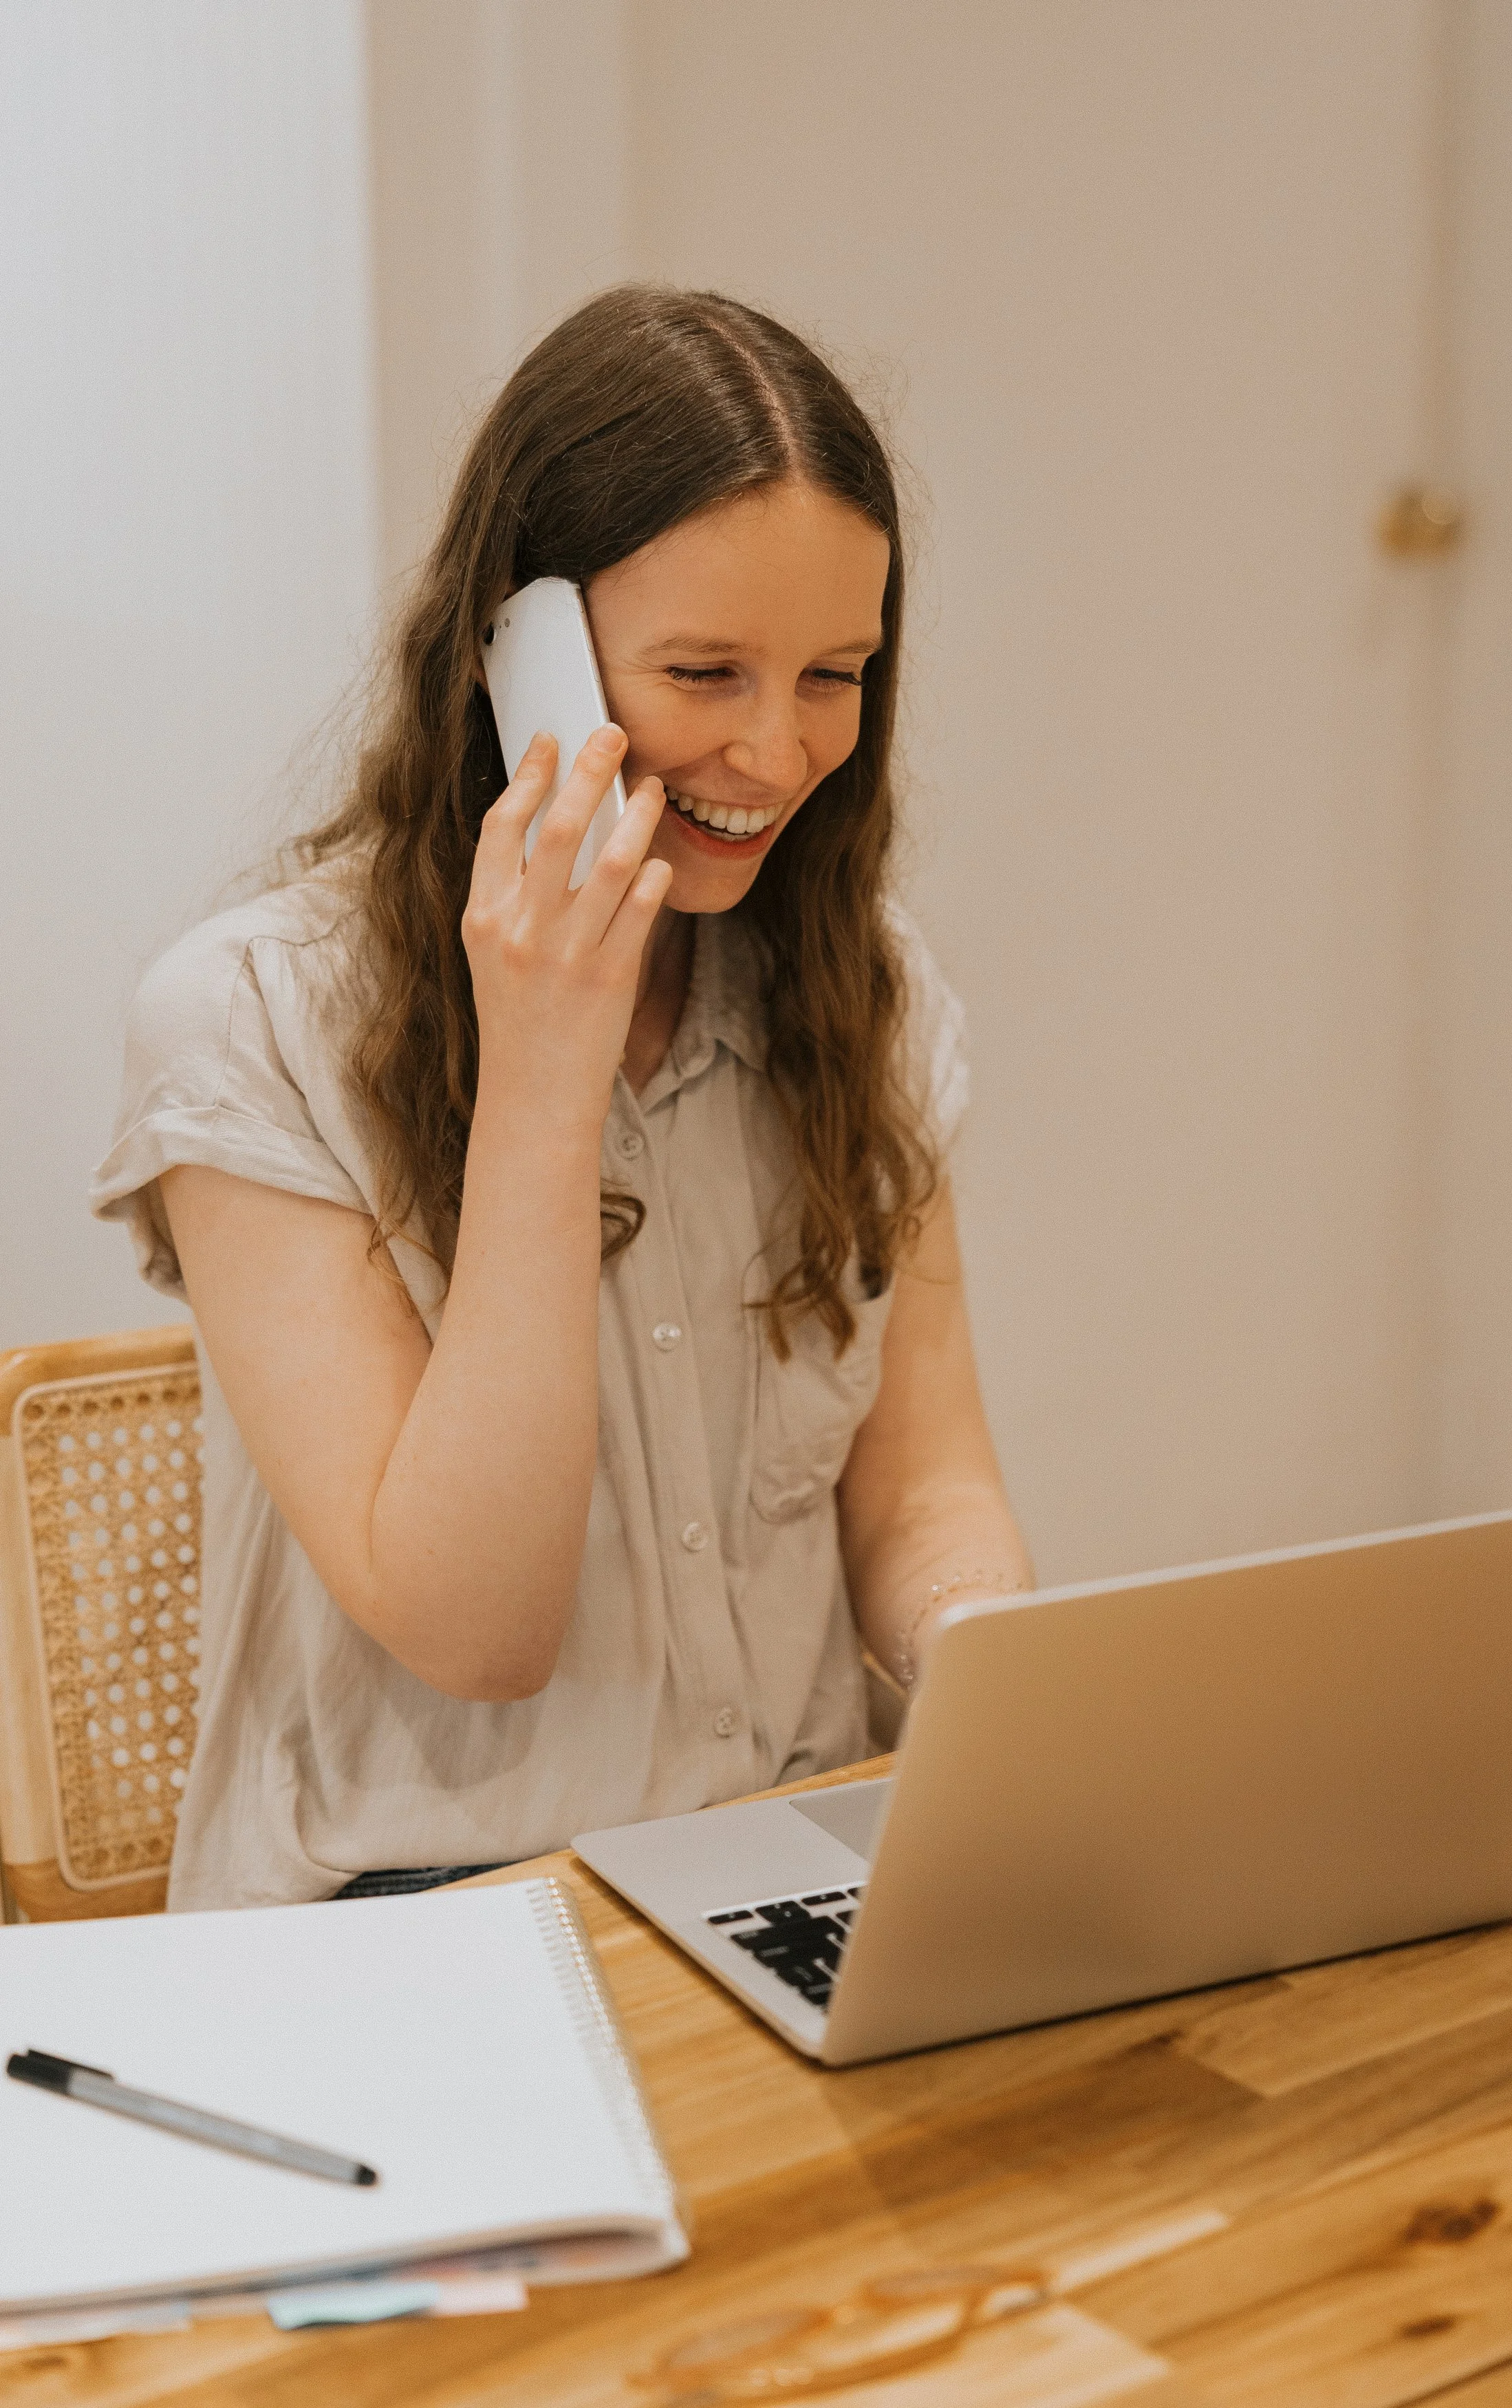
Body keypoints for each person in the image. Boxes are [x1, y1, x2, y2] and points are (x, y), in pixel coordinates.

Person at [92, 286, 1032, 1910]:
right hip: (417, 1917)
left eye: (832, 673)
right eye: (703, 672)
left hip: (791, 1862)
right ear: (518, 656)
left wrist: (980, 1658)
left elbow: (921, 1483)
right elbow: (478, 1628)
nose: (777, 751)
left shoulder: (856, 986)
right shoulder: (244, 1020)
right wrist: (542, 1068)